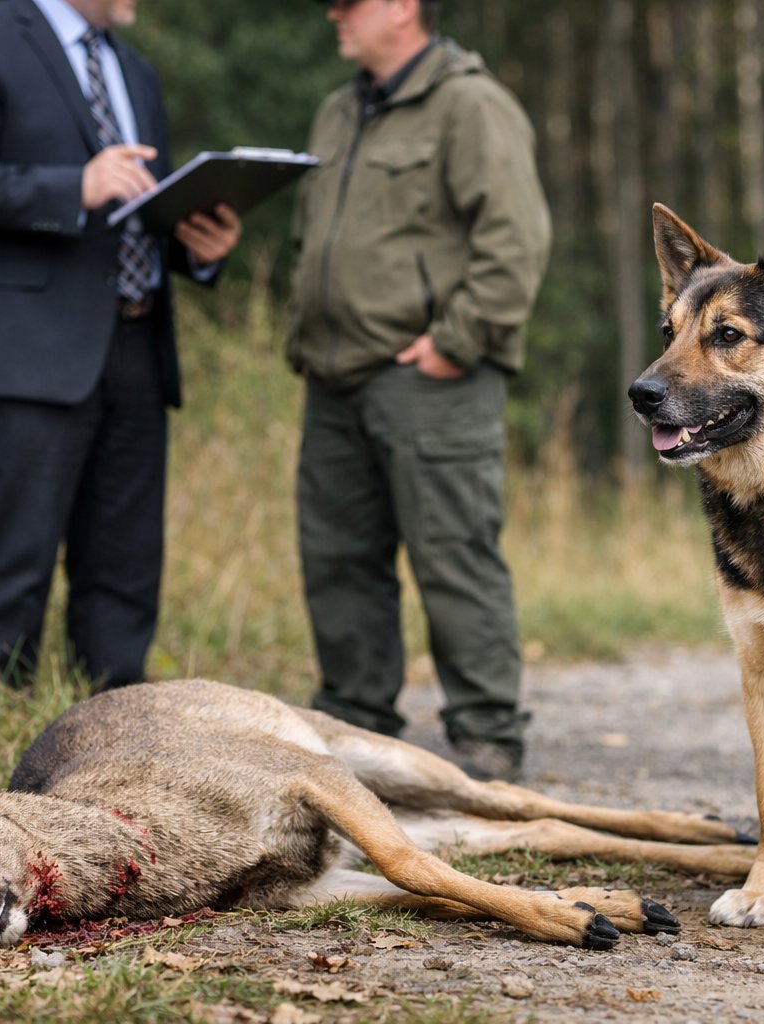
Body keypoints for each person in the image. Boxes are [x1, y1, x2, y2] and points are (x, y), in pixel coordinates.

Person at [0, 0, 242, 698]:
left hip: (140, 340)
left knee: (125, 565)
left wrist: (197, 248)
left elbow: (145, 205)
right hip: (24, 353)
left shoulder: (136, 70)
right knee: (13, 562)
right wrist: (75, 186)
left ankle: (113, 736)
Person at [287, 0, 552, 781]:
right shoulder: (339, 111)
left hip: (429, 377)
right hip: (334, 375)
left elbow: (516, 237)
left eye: (349, 2)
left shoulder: (471, 104)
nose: (333, 13)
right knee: (338, 558)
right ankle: (352, 733)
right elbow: (315, 238)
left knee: (453, 554)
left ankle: (486, 741)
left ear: (403, 6)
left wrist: (457, 339)